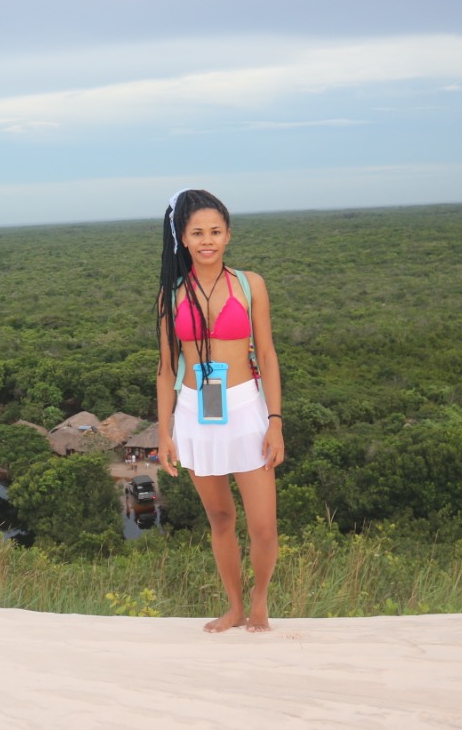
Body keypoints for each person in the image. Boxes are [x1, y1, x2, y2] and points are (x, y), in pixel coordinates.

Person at [155, 189, 284, 633]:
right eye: (197, 233)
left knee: (264, 527)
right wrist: (165, 433)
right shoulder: (170, 295)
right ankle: (233, 607)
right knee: (221, 518)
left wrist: (275, 422)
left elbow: (267, 356)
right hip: (195, 412)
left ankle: (260, 598)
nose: (207, 240)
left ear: (228, 235)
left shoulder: (250, 285)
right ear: (183, 239)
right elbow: (165, 368)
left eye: (215, 231)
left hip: (247, 408)